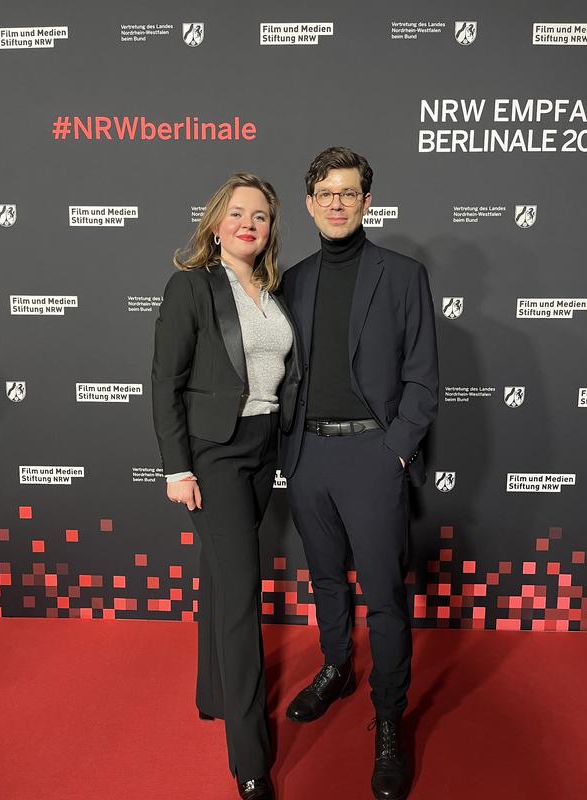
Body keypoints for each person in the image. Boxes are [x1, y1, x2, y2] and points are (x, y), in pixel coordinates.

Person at [280, 147, 438, 800]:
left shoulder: (402, 275)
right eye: (326, 193)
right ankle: (338, 667)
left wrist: (396, 449)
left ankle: (389, 716)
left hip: (373, 457)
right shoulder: (292, 279)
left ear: (367, 202)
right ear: (311, 203)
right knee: (324, 579)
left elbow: (423, 378)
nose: (337, 203)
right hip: (307, 456)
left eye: (349, 192)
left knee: (383, 594)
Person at [151, 173, 300, 800]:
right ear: (216, 223)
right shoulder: (190, 286)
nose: (249, 223)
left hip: (264, 448)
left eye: (260, 216)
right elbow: (165, 381)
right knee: (242, 595)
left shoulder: (272, 291)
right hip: (214, 455)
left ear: (269, 229)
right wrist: (177, 468)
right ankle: (249, 758)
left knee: (220, 576)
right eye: (237, 213)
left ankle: (212, 695)